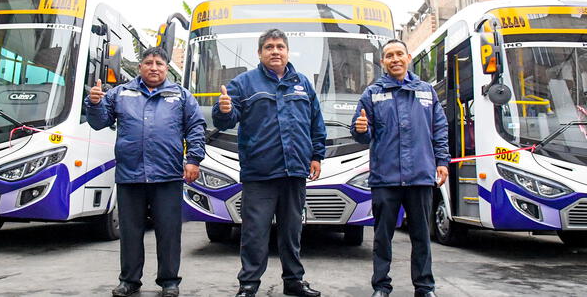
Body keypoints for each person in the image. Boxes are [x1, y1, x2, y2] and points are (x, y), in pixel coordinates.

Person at [212, 29, 326, 297]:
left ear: (287, 51)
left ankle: (293, 281)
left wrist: (317, 155)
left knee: (291, 231)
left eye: (280, 47)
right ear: (260, 53)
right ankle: (249, 284)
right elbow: (225, 120)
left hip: (295, 171)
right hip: (259, 172)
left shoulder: (303, 83)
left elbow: (315, 123)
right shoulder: (244, 83)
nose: (275, 51)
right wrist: (224, 109)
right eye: (269, 47)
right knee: (254, 232)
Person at [85, 46, 205, 297]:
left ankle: (170, 282)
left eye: (159, 63)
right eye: (148, 62)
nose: (154, 67)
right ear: (140, 67)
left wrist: (193, 159)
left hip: (168, 175)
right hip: (130, 175)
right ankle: (129, 281)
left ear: (166, 68)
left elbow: (196, 127)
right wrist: (94, 103)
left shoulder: (180, 95)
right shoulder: (121, 93)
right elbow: (98, 123)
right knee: (130, 232)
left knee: (169, 232)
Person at [350, 39, 449, 297]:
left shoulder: (427, 92)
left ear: (408, 57)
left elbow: (439, 130)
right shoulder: (372, 94)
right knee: (382, 238)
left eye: (399, 54)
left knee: (421, 237)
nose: (394, 59)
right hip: (386, 178)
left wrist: (442, 162)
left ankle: (425, 287)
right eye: (389, 56)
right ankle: (381, 286)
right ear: (382, 61)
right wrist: (360, 129)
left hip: (420, 176)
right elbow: (361, 132)